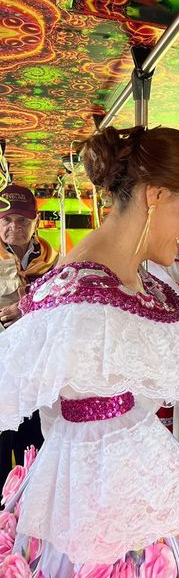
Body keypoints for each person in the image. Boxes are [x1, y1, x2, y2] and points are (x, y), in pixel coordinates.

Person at [0, 126, 179, 576]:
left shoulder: (130, 281)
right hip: (115, 536)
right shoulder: (90, 305)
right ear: (157, 195)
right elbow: (118, 471)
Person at [0, 184, 58, 492]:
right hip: (2, 376)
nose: (14, 227)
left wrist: (30, 312)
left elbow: (65, 312)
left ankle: (25, 525)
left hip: (39, 375)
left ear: (35, 223)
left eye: (22, 220)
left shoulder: (53, 262)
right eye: (7, 219)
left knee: (36, 448)